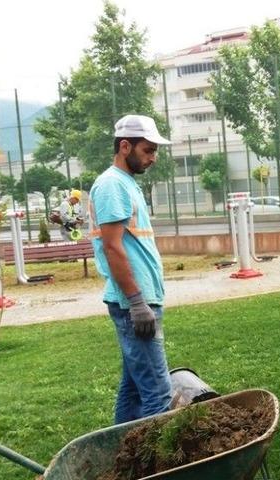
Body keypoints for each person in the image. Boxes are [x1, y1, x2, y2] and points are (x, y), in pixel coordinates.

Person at [88, 114, 173, 424]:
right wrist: (137, 302)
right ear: (125, 146)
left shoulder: (126, 184)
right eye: (148, 150)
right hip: (132, 303)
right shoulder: (111, 185)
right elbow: (112, 247)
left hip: (140, 299)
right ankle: (156, 466)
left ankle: (122, 455)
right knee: (158, 392)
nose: (153, 158)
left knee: (135, 389)